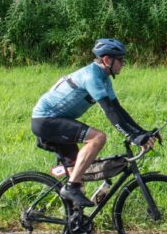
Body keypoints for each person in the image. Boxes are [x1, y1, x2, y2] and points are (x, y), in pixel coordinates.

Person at [31, 38, 154, 209]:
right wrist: (132, 136)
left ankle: (77, 225)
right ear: (107, 60)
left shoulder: (104, 78)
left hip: (57, 121)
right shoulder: (91, 76)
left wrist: (142, 132)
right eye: (120, 60)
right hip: (45, 120)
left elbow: (118, 109)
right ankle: (71, 187)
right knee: (98, 138)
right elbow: (109, 113)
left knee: (79, 175)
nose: (123, 64)